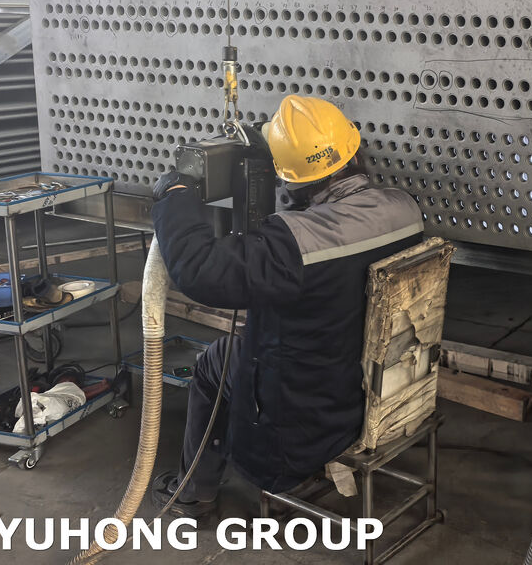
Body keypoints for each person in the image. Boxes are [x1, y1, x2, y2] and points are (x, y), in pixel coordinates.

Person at [149, 95, 423, 517]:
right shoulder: (405, 209)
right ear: (353, 151)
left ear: (290, 179)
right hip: (374, 384)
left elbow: (200, 271)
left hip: (304, 417)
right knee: (245, 348)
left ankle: (192, 492)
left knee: (214, 362)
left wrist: (175, 195)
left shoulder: (293, 244)